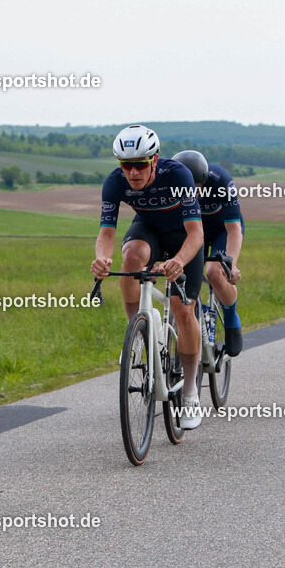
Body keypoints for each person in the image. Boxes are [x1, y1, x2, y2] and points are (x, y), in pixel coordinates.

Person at [91, 126, 205, 429]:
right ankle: (139, 332)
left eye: (140, 164)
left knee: (183, 310)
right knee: (130, 257)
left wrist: (179, 261)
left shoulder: (177, 176)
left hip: (184, 237)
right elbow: (106, 234)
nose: (132, 172)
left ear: (154, 159)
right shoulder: (115, 183)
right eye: (125, 165)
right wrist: (102, 258)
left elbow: (196, 232)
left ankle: (191, 391)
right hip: (150, 230)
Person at [171, 150, 244, 356]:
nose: (191, 193)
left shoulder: (221, 181)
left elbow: (233, 230)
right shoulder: (169, 185)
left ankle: (231, 320)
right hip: (193, 232)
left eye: (195, 189)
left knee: (215, 272)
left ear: (204, 180)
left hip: (222, 230)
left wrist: (231, 264)